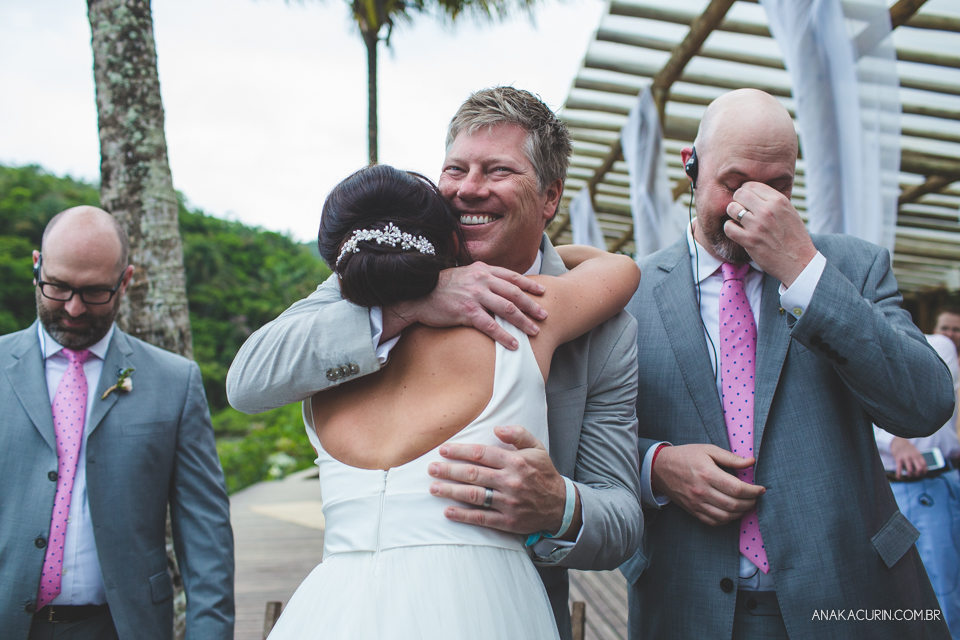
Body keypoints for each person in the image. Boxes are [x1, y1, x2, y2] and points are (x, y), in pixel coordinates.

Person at [227, 87, 642, 640]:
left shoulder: (603, 327)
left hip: (503, 609)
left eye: (498, 170)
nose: (469, 188)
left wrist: (559, 507)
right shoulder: (370, 280)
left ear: (550, 197)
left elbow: (622, 519)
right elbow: (249, 378)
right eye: (455, 169)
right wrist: (411, 303)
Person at [621, 89, 954, 639]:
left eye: (777, 186)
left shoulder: (853, 267)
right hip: (687, 606)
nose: (752, 205)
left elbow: (925, 405)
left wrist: (805, 272)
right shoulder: (628, 294)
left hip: (851, 600)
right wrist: (654, 467)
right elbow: (584, 438)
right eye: (734, 183)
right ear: (691, 166)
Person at [0, 206, 235, 640]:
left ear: (125, 281)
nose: (73, 308)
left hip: (123, 627)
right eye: (58, 287)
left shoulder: (175, 381)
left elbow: (206, 533)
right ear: (37, 266)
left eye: (94, 292)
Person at [875, 333, 960, 638]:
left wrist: (897, 439)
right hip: (882, 487)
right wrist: (891, 440)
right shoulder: (851, 342)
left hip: (930, 484)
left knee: (942, 588)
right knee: (886, 590)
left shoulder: (937, 345)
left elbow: (929, 403)